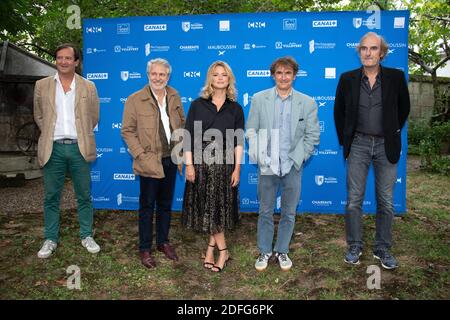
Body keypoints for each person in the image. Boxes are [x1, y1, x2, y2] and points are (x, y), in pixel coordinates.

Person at [334, 32, 410, 270]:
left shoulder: (396, 77)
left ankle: (382, 248)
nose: (368, 53)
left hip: (386, 144)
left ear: (382, 52)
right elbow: (339, 112)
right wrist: (346, 140)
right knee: (353, 200)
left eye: (373, 48)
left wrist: (389, 130)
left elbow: (403, 109)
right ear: (359, 52)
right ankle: (354, 245)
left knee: (386, 201)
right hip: (358, 144)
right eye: (364, 48)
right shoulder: (347, 79)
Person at [246, 56, 320, 271]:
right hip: (267, 164)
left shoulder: (307, 103)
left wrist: (299, 158)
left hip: (293, 165)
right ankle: (265, 250)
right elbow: (251, 130)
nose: (284, 77)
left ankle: (282, 250)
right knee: (265, 210)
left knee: (289, 212)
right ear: (273, 75)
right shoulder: (259, 99)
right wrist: (262, 156)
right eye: (279, 72)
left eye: (288, 73)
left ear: (294, 76)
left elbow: (313, 136)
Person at [34, 43, 100, 258]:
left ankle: (86, 235)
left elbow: (93, 117)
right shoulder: (42, 85)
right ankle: (50, 238)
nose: (63, 61)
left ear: (76, 62)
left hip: (79, 148)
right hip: (53, 148)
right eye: (59, 57)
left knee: (84, 195)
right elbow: (39, 116)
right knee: (51, 197)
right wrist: (51, 133)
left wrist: (79, 133)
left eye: (68, 58)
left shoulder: (88, 86)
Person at [121, 58, 185, 269]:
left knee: (166, 205)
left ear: (168, 76)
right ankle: (145, 248)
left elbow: (181, 124)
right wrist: (140, 155)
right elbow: (127, 131)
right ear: (148, 75)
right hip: (149, 161)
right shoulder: (135, 99)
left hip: (170, 159)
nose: (158, 78)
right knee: (147, 206)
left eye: (162, 75)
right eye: (154, 74)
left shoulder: (174, 96)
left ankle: (163, 242)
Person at [182, 61, 244, 273]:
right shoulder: (197, 104)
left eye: (224, 75)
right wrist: (189, 164)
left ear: (229, 79)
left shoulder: (236, 108)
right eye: (216, 74)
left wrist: (237, 168)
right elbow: (189, 137)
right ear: (210, 78)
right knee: (208, 207)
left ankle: (212, 249)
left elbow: (238, 142)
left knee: (215, 208)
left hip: (225, 165)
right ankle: (223, 251)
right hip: (201, 163)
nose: (219, 78)